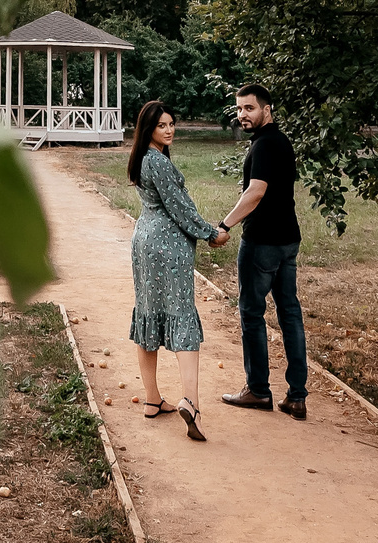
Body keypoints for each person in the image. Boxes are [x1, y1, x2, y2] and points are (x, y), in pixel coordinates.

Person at [125, 98, 225, 441]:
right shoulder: (159, 163)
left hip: (143, 241)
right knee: (182, 314)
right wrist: (212, 232)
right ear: (149, 130)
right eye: (161, 125)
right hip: (168, 247)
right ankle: (191, 402)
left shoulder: (141, 159)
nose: (168, 130)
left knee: (148, 313)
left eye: (171, 124)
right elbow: (181, 209)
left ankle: (153, 399)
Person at [216, 83, 307, 419]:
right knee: (290, 315)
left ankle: (257, 390)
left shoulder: (266, 145)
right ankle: (296, 397)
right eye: (239, 109)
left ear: (266, 109)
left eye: (249, 108)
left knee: (252, 315)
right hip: (288, 240)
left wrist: (224, 225)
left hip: (263, 243)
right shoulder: (280, 141)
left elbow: (255, 193)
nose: (242, 115)